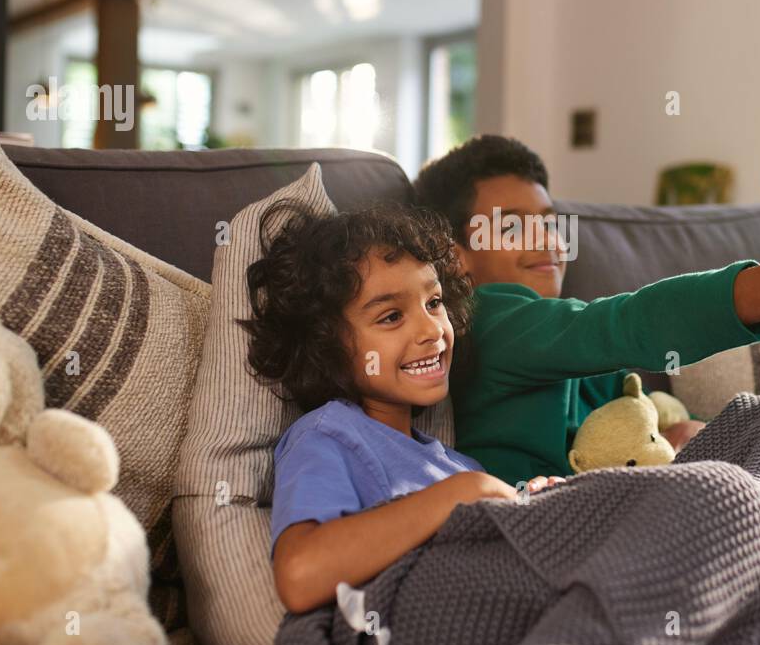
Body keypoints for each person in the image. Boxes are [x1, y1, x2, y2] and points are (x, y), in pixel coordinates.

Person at [412, 135, 760, 485]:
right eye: (513, 226)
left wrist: (677, 433)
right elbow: (626, 324)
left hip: (614, 509)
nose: (550, 241)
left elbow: (633, 424)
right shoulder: (486, 317)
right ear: (455, 257)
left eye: (550, 222)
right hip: (538, 528)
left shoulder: (578, 356)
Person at [241, 200, 564, 614]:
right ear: (324, 345)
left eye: (434, 302)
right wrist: (466, 493)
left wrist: (532, 505)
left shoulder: (458, 464)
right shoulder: (329, 435)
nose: (432, 330)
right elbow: (300, 576)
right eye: (392, 316)